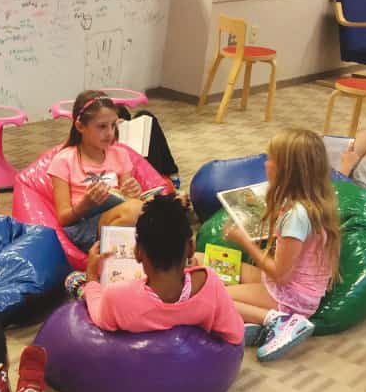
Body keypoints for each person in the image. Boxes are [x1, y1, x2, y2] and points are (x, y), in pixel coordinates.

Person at [222, 128, 342, 362]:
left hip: (292, 295)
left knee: (216, 297)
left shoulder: (297, 215)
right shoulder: (312, 202)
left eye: (270, 159)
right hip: (298, 288)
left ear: (286, 170)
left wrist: (244, 240)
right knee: (229, 269)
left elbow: (280, 275)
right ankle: (259, 323)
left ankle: (279, 321)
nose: (266, 164)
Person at [76, 194, 244, 345]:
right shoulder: (210, 283)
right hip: (190, 367)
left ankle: (81, 286)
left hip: (135, 364)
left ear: (137, 253)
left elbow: (98, 316)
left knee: (74, 280)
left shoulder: (116, 296)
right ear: (191, 248)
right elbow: (235, 334)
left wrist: (91, 277)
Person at [49, 90, 149, 253]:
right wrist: (85, 204)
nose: (110, 133)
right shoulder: (64, 160)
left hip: (120, 216)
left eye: (113, 125)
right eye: (102, 126)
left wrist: (133, 192)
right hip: (84, 226)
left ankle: (124, 260)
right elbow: (63, 219)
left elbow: (129, 199)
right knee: (135, 211)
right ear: (80, 126)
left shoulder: (120, 154)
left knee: (143, 209)